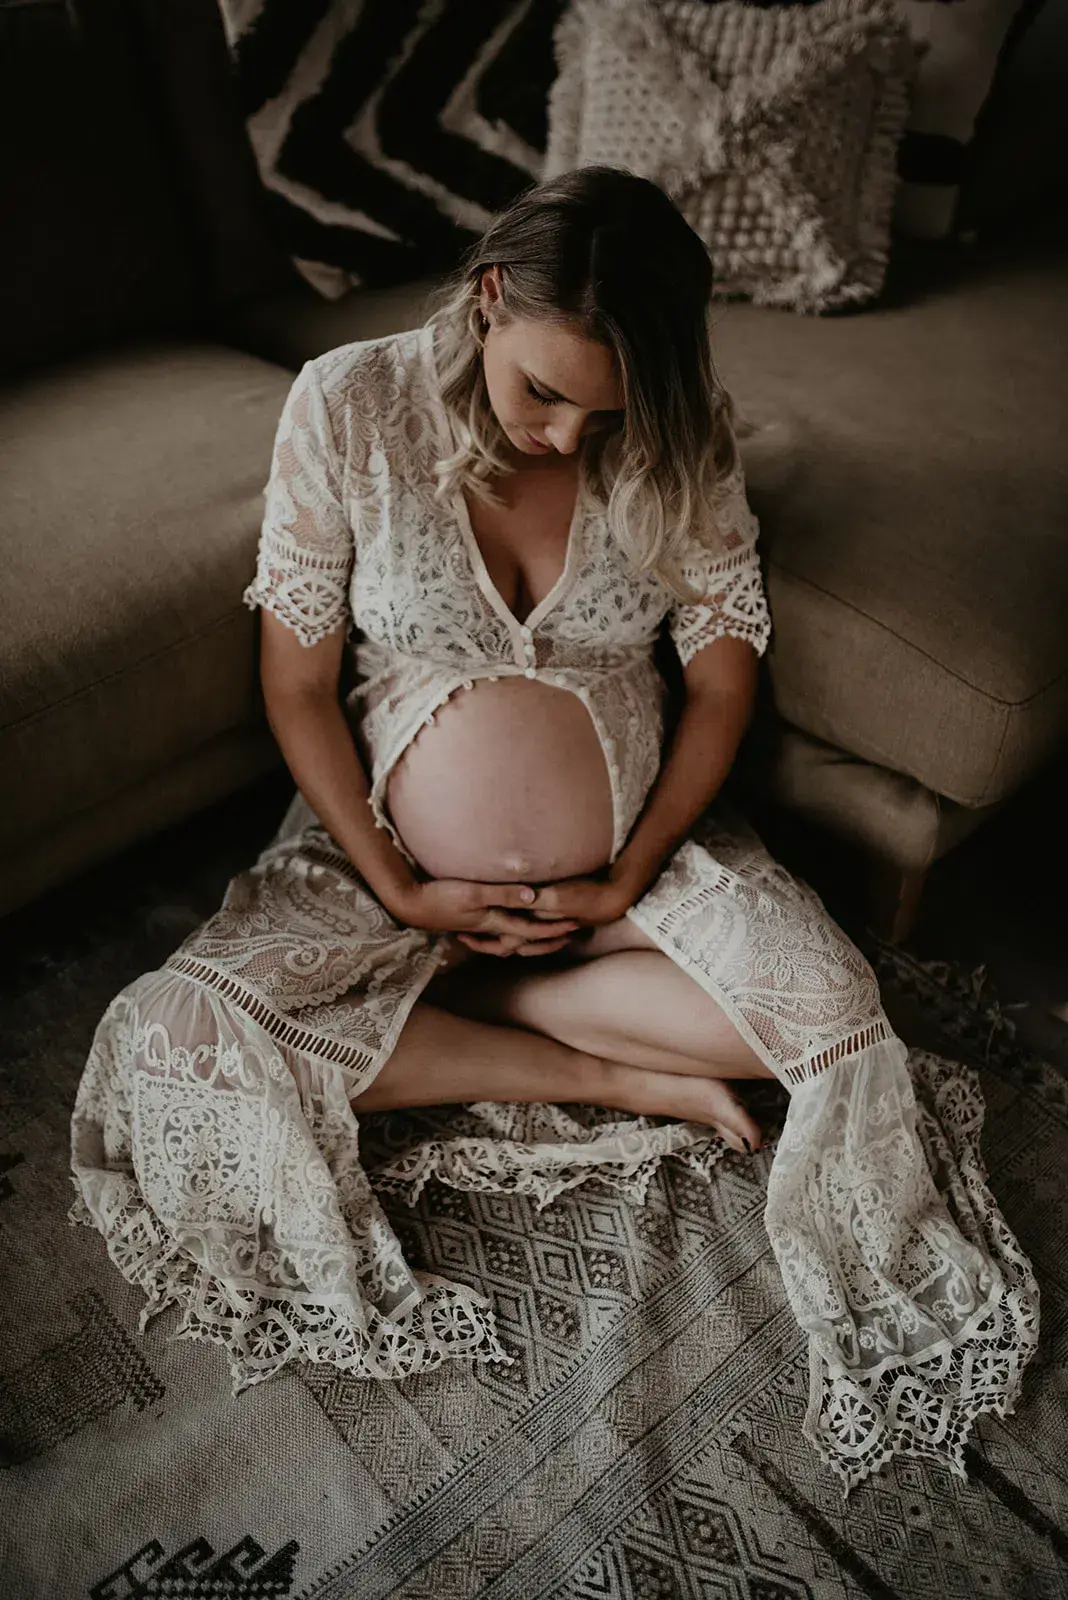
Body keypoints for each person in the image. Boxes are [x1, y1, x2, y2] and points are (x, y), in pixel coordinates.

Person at [70, 168, 1036, 1491]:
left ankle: (487, 1011)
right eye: (545, 394)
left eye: (609, 410)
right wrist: (406, 897)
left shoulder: (682, 437)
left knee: (834, 1018)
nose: (573, 437)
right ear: (485, 305)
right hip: (386, 876)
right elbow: (295, 686)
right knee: (176, 1040)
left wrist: (629, 873)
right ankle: (594, 1068)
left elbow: (723, 679)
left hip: (632, 879)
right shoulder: (349, 405)